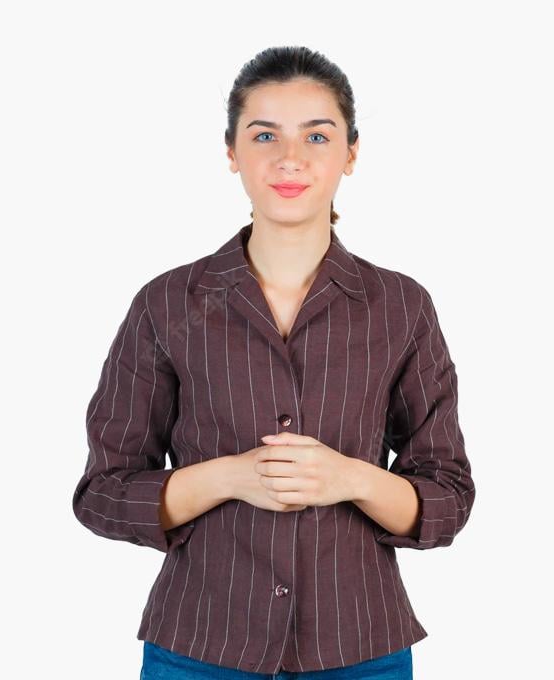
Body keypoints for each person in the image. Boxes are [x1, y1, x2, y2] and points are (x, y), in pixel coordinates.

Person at [72, 46, 476, 679]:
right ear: (232, 152)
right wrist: (230, 477)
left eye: (317, 135)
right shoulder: (166, 303)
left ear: (351, 153)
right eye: (264, 135)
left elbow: (448, 497)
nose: (290, 158)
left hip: (360, 647)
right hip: (200, 646)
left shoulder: (402, 306)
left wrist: (350, 479)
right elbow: (102, 494)